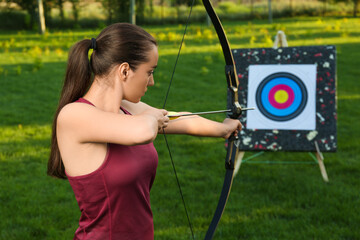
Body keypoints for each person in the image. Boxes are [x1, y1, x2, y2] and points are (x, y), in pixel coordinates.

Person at [47, 23, 242, 240]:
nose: (152, 81)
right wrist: (152, 118)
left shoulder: (128, 110)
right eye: (149, 72)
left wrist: (223, 129)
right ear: (124, 71)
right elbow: (144, 131)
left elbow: (179, 119)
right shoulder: (74, 116)